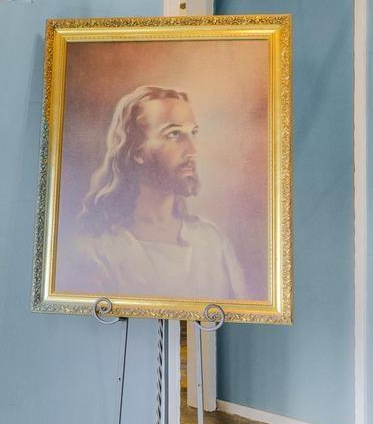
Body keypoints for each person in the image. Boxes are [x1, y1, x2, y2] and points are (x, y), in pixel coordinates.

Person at [62, 84, 250, 302]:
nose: (193, 150)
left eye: (193, 133)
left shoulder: (211, 242)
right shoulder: (99, 251)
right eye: (174, 134)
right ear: (137, 151)